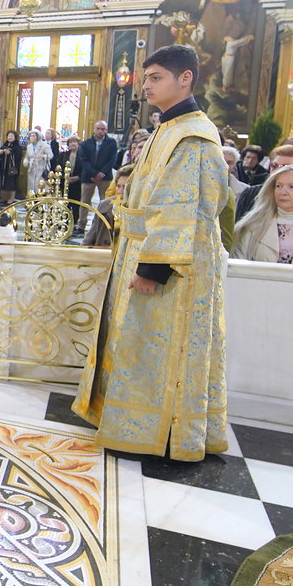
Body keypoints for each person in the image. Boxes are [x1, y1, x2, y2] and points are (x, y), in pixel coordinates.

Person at [73, 44, 228, 461]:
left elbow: (183, 207)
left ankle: (160, 433)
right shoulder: (168, 127)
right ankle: (131, 423)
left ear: (185, 78)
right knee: (137, 342)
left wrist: (153, 269)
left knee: (161, 345)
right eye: (145, 78)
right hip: (142, 248)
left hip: (170, 263)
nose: (145, 86)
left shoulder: (193, 136)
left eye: (155, 77)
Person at [76, 120, 118, 223]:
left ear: (106, 130)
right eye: (98, 129)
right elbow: (83, 159)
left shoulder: (111, 143)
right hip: (88, 177)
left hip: (105, 177)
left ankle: (103, 224)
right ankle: (81, 224)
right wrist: (94, 173)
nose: (100, 131)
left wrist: (102, 173)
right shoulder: (86, 143)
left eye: (103, 129)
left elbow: (112, 159)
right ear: (94, 129)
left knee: (105, 201)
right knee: (85, 202)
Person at [0, 130, 22, 203]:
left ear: (15, 137)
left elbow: (18, 156)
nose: (10, 137)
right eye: (9, 136)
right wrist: (0, 152)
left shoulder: (17, 146)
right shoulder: (5, 144)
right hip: (4, 167)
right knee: (3, 182)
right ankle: (4, 197)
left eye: (12, 136)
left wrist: (10, 153)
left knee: (11, 183)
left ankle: (11, 198)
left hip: (12, 168)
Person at [23, 128, 55, 194]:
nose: (32, 137)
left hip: (41, 168)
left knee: (40, 187)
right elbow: (27, 157)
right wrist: (25, 162)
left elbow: (51, 155)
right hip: (31, 169)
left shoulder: (44, 145)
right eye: (31, 136)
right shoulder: (29, 146)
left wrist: (43, 156)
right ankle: (31, 197)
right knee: (31, 187)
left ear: (38, 137)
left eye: (33, 136)